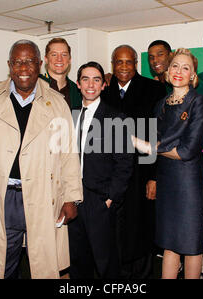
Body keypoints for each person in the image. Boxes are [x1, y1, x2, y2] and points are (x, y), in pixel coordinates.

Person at [0, 39, 82, 279]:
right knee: (0, 263)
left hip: (43, 194)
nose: (23, 68)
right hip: (2, 196)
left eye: (30, 61)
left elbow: (68, 154)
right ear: (9, 65)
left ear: (40, 64)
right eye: (18, 62)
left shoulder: (57, 104)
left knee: (42, 264)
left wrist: (71, 197)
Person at [135, 48, 203, 279]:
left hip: (188, 183)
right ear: (167, 72)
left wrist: (150, 148)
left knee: (190, 243)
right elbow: (164, 144)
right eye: (175, 66)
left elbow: (188, 150)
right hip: (166, 180)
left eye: (185, 67)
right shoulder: (160, 105)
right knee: (169, 242)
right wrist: (154, 148)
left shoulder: (199, 102)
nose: (179, 71)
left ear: (193, 75)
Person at [102, 45, 166, 278]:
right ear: (113, 64)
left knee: (141, 229)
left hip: (142, 173)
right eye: (119, 62)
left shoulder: (154, 89)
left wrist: (154, 177)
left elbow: (158, 135)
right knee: (116, 230)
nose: (124, 67)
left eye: (129, 62)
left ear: (136, 64)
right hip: (113, 175)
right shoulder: (105, 90)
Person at [68, 61, 133, 279]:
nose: (90, 84)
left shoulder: (117, 118)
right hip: (73, 198)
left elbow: (125, 163)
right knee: (78, 260)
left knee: (106, 262)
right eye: (85, 79)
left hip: (100, 200)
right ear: (78, 84)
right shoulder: (71, 116)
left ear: (104, 85)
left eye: (96, 79)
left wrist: (110, 198)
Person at [40, 37, 82, 110]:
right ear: (46, 59)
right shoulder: (37, 85)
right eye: (54, 55)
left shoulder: (77, 91)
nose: (59, 59)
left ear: (69, 59)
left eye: (64, 55)